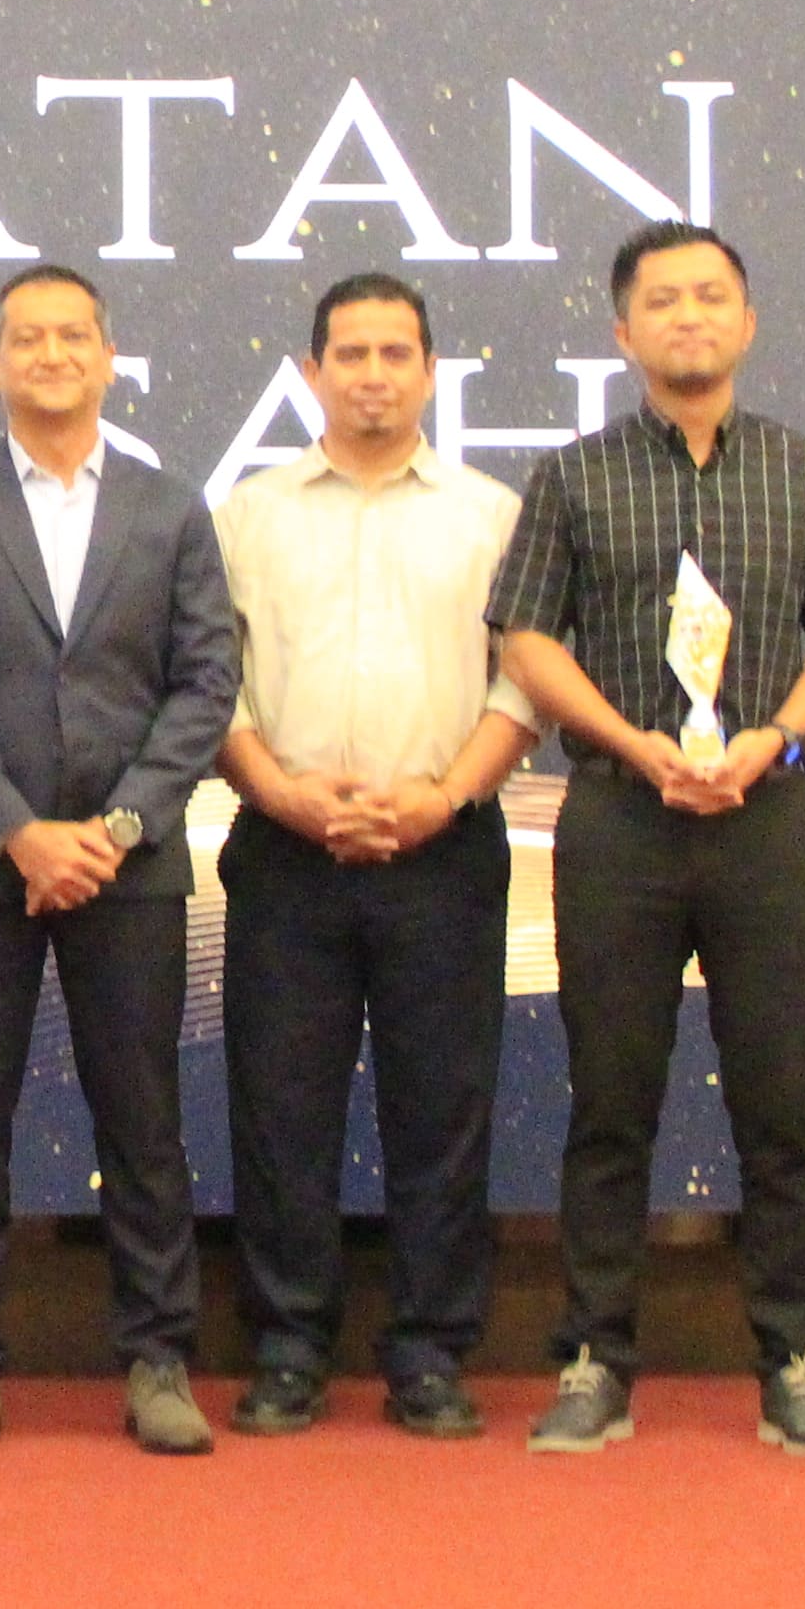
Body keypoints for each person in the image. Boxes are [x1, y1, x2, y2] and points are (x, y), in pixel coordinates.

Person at [489, 221, 805, 1459]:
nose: (689, 317)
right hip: (621, 815)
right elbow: (525, 636)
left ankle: (796, 1361)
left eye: (712, 295)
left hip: (766, 816)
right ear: (624, 331)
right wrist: (631, 739)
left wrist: (774, 737)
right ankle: (595, 1357)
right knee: (611, 1100)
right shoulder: (574, 475)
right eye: (663, 300)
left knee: (781, 1102)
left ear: (748, 321)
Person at [0, 265, 247, 1457]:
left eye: (73, 335)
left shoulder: (170, 508)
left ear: (108, 357)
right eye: (28, 337)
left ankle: (158, 1356)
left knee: (143, 1119)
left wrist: (121, 824)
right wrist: (18, 828)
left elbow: (206, 682)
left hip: (128, 865)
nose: (51, 353)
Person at [210, 271, 537, 1440]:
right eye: (349, 353)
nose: (373, 374)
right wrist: (282, 793)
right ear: (311, 373)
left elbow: (523, 684)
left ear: (431, 372)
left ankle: (432, 1350)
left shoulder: (491, 514)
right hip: (285, 847)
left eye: (397, 353)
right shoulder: (248, 514)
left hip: (443, 844)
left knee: (441, 1107)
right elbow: (211, 683)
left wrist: (444, 796)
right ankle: (288, 1344)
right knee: (280, 1108)